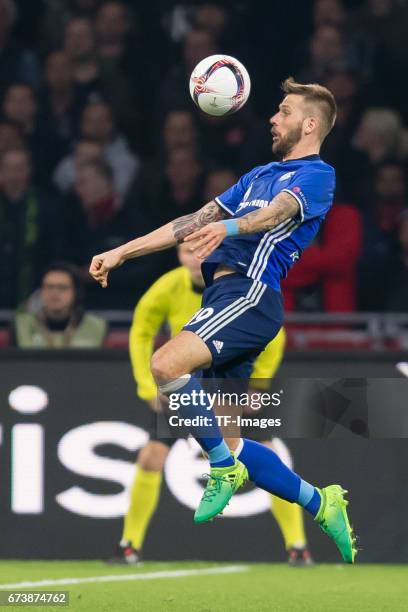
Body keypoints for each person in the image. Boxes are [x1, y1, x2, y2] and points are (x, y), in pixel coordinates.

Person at [90, 77, 357, 563]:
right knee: (234, 441)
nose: (273, 118)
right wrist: (122, 251)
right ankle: (322, 503)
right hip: (226, 294)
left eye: (284, 110)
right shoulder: (257, 174)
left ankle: (218, 467)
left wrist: (229, 226)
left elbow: (276, 215)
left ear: (310, 123)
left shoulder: (318, 175)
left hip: (250, 294)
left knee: (166, 365)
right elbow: (189, 222)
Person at [110, 243, 312, 566]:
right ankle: (128, 545)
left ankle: (298, 546)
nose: (194, 258)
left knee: (268, 452)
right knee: (151, 457)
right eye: (187, 251)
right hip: (185, 382)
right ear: (178, 256)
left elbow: (274, 334)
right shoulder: (169, 285)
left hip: (232, 381)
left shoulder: (241, 282)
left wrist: (258, 384)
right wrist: (147, 384)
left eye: (200, 250)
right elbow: (141, 330)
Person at [15, 262, 107, 348]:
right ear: (41, 292)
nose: (54, 293)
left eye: (62, 287)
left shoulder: (96, 326)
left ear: (76, 293)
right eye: (49, 287)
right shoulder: (22, 325)